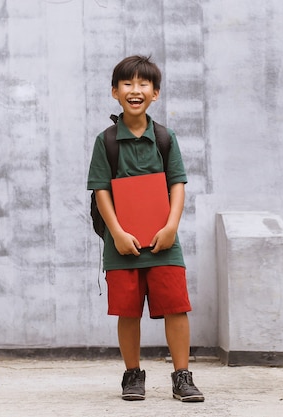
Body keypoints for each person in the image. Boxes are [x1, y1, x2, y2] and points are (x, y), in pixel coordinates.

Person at [86, 55, 204, 402]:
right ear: (114, 92)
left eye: (143, 84)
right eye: (127, 83)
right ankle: (132, 375)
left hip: (164, 240)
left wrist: (171, 227)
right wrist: (118, 233)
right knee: (127, 310)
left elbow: (178, 184)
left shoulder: (165, 138)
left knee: (176, 306)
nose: (135, 90)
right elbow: (101, 190)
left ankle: (182, 377)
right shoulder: (105, 141)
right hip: (122, 243)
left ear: (155, 94)